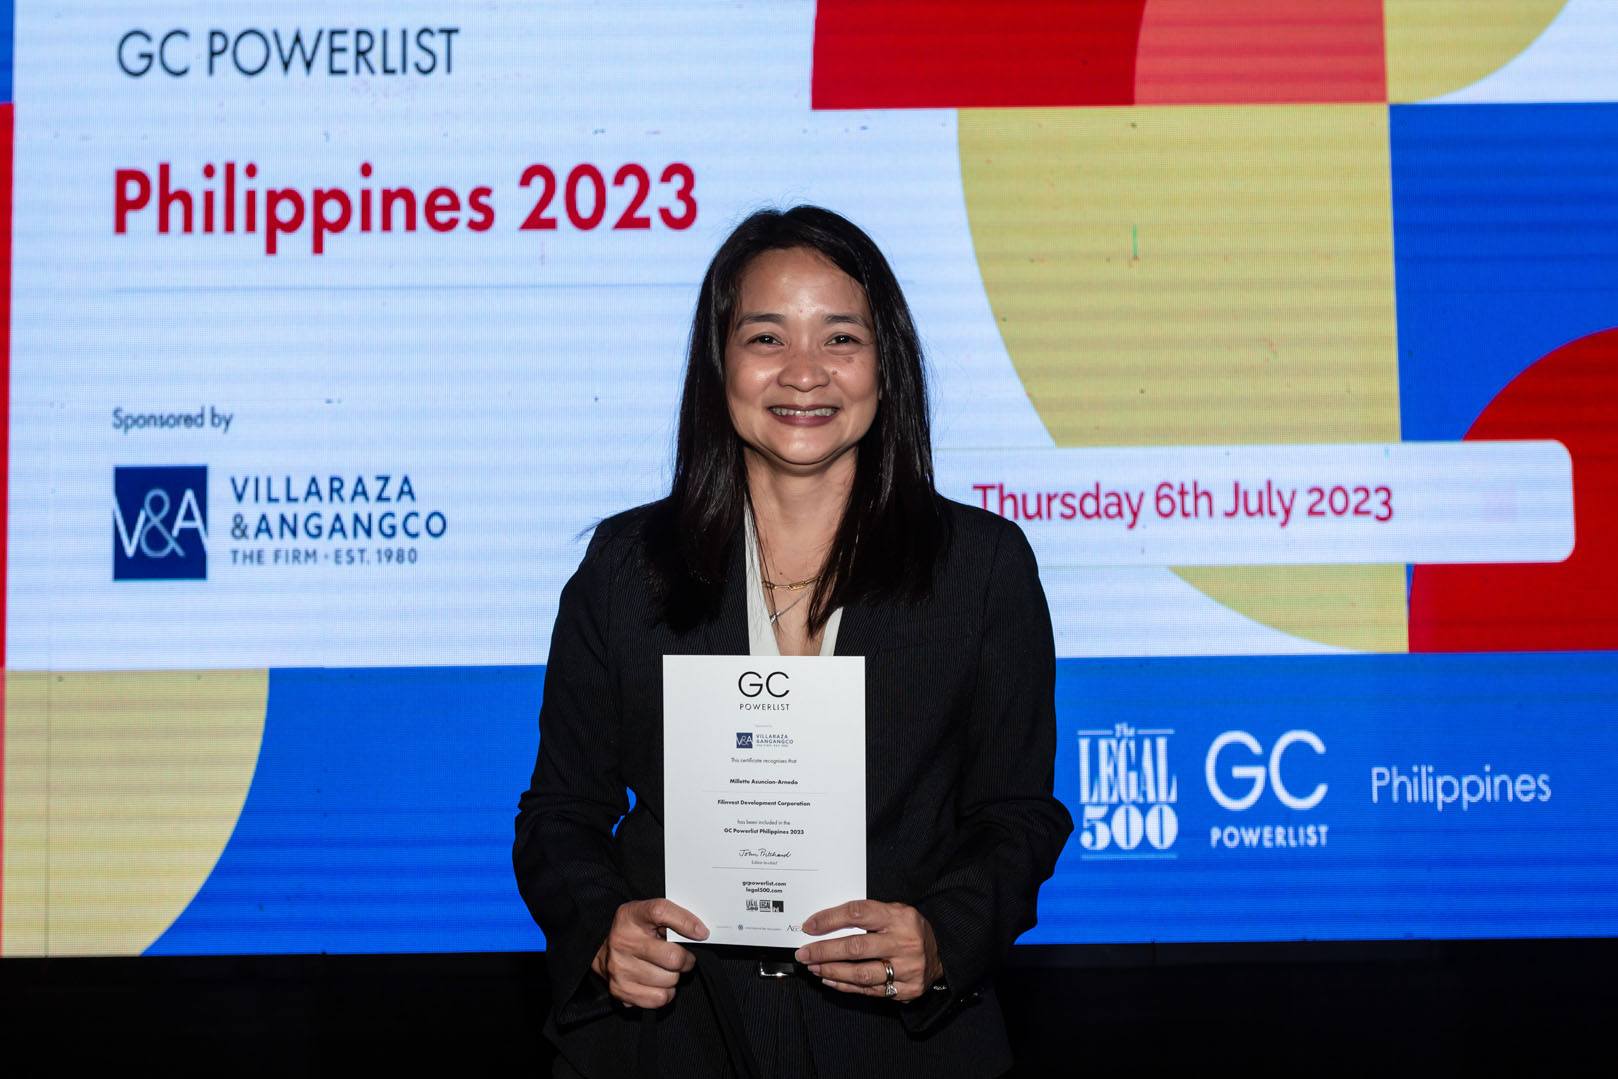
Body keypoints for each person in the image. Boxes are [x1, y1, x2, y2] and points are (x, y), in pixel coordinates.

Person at [513, 205, 1072, 1078]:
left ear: (885, 362)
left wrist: (941, 937)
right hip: (669, 1041)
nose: (805, 372)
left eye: (840, 338)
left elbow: (1016, 814)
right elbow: (559, 814)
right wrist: (600, 933)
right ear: (720, 363)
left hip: (899, 1049)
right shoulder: (627, 567)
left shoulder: (981, 567)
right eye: (767, 337)